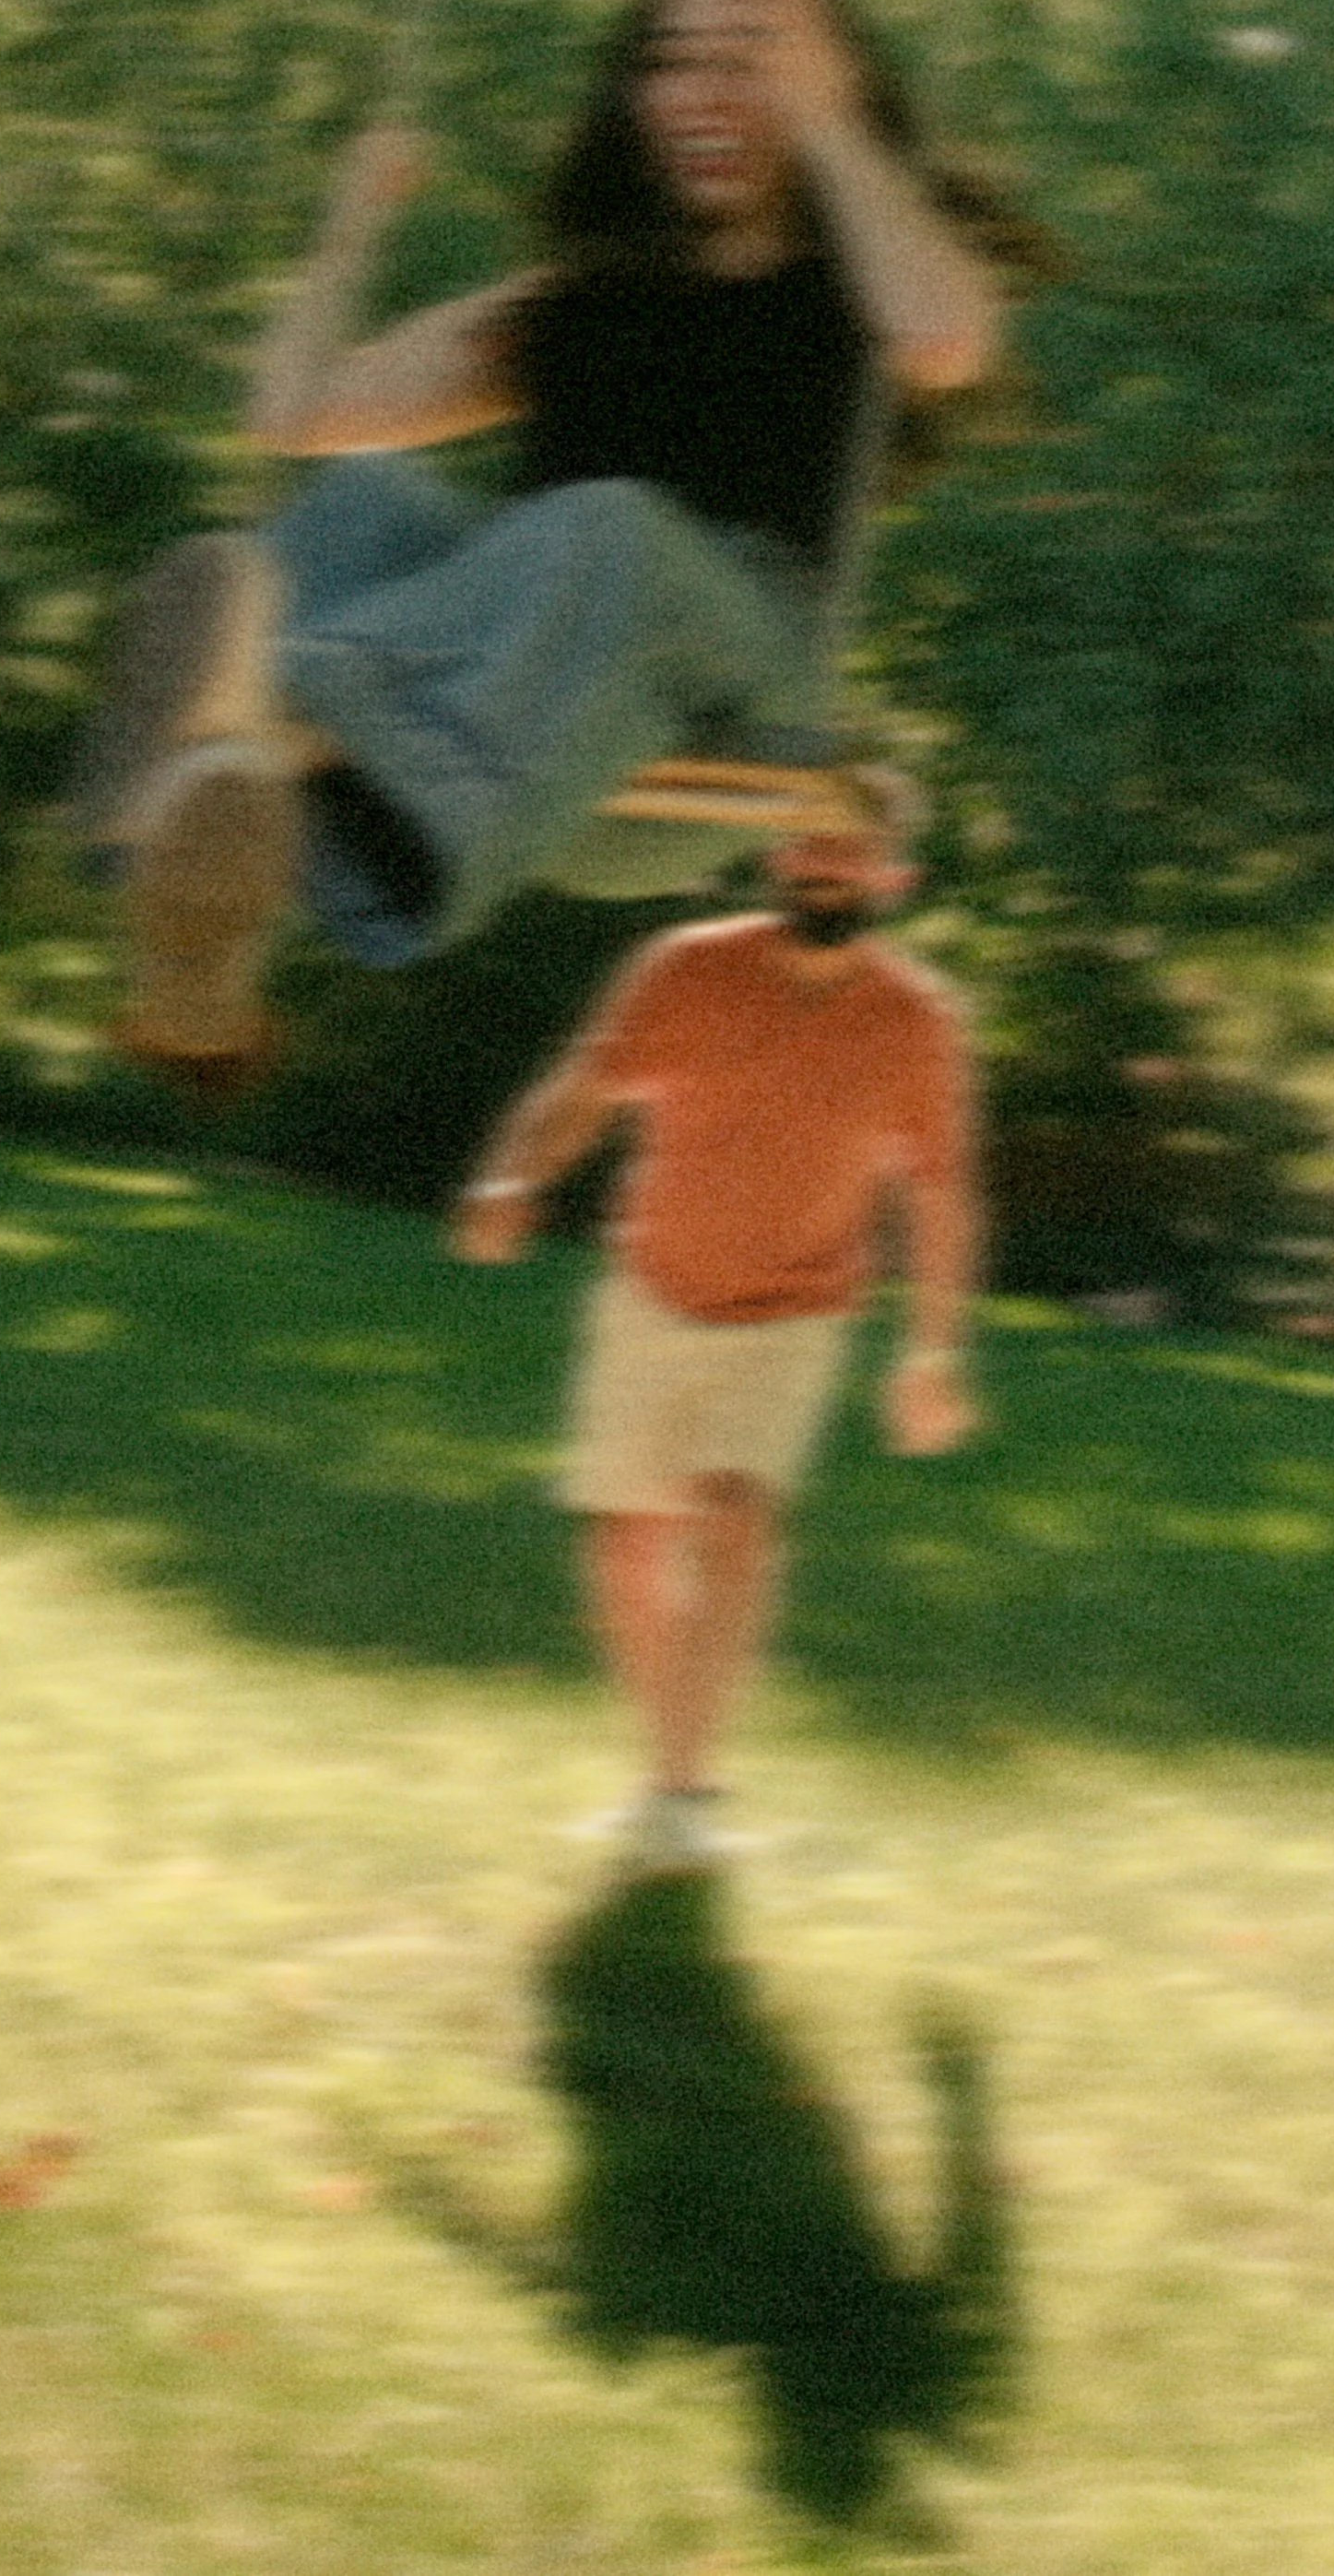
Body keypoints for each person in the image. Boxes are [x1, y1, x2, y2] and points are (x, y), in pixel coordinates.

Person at [76, 0, 1027, 1102]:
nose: (711, 88)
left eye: (759, 56)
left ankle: (247, 720)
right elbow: (295, 412)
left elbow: (946, 341)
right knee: (371, 496)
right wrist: (350, 224)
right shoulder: (573, 301)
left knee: (608, 526)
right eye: (675, 59)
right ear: (639, 93)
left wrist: (834, 126)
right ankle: (204, 938)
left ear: (827, 79)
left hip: (730, 705)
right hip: (528, 713)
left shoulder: (873, 284)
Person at [451, 773, 984, 1873]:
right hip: (654, 1284)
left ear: (893, 877)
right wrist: (513, 1177)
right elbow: (586, 1088)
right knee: (622, 1540)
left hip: (796, 1307)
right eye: (806, 849)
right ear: (774, 858)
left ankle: (682, 1798)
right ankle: (674, 1784)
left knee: (736, 1518)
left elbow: (939, 1189)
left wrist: (931, 1351)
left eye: (848, 854)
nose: (824, 868)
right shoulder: (686, 968)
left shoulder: (917, 1023)